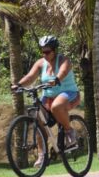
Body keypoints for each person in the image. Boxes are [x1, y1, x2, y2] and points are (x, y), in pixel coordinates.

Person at [11, 35, 81, 168]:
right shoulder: (40, 63)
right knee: (37, 117)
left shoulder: (64, 60)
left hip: (68, 94)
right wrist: (18, 85)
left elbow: (63, 71)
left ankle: (69, 131)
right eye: (42, 51)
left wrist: (56, 79)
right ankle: (42, 155)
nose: (44, 54)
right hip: (48, 97)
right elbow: (30, 77)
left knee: (57, 106)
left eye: (47, 51)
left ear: (55, 50)